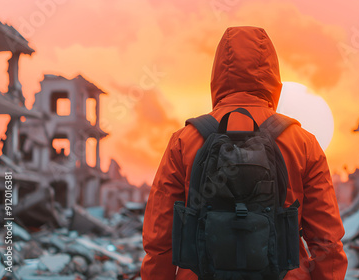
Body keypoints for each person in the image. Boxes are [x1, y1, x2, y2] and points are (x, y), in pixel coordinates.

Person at [141, 26, 347, 280]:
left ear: (217, 75)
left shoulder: (184, 141)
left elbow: (159, 240)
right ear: (273, 75)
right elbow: (327, 242)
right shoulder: (303, 143)